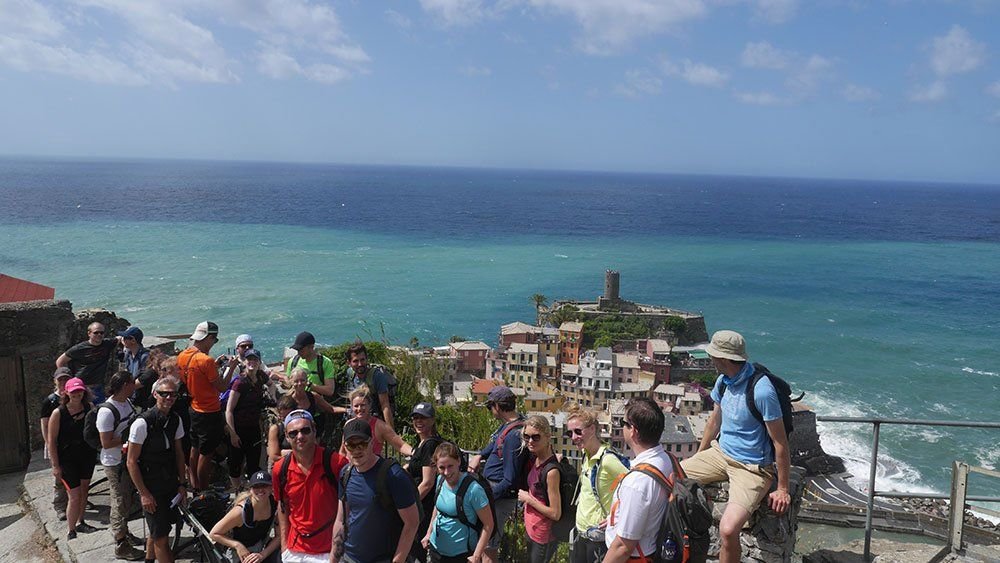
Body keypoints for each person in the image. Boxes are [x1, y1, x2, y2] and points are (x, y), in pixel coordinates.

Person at [680, 330, 791, 563]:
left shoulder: (761, 390)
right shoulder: (724, 382)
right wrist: (699, 458)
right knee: (672, 477)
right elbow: (714, 421)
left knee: (728, 529)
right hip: (720, 453)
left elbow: (780, 442)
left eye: (713, 355)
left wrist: (782, 488)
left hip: (751, 467)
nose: (710, 359)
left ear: (723, 359)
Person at [331, 419, 419, 563]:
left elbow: (412, 522)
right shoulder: (345, 474)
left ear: (372, 443)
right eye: (351, 445)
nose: (357, 450)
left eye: (362, 444)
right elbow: (341, 520)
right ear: (345, 447)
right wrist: (333, 560)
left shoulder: (394, 476)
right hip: (349, 557)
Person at [272, 410, 348, 563]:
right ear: (287, 437)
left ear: (314, 430)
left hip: (330, 551)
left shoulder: (336, 463)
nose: (300, 436)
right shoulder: (280, 469)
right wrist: (284, 547)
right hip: (295, 551)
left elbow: (349, 507)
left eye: (305, 430)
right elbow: (283, 507)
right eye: (293, 433)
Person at [603, 397, 673, 563]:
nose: (622, 426)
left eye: (623, 422)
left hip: (635, 558)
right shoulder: (667, 459)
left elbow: (623, 547)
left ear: (633, 431)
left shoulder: (637, 483)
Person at [127, 376, 188, 563]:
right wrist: (144, 494)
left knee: (161, 528)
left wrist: (182, 484)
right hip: (151, 484)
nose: (169, 398)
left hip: (169, 481)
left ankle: (149, 560)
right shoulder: (142, 424)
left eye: (173, 394)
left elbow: (179, 453)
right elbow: (131, 461)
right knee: (161, 537)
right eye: (164, 394)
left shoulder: (175, 419)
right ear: (155, 395)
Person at [467, 386, 528, 563]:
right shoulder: (511, 426)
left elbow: (510, 479)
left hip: (498, 497)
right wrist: (480, 455)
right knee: (485, 542)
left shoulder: (513, 436)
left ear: (497, 407)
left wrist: (486, 498)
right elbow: (495, 444)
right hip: (494, 493)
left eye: (489, 407)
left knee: (488, 546)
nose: (490, 411)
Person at [566, 407, 628, 563]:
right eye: (570, 433)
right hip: (582, 533)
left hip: (598, 539)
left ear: (592, 429)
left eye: (578, 432)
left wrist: (617, 517)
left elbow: (635, 486)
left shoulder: (607, 460)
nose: (573, 437)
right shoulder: (587, 454)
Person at [178, 320, 233, 491]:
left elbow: (197, 375)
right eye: (214, 340)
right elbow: (222, 386)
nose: (213, 344)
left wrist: (215, 365)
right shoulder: (206, 360)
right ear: (209, 337)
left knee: (195, 447)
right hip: (209, 410)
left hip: (193, 408)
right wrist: (231, 367)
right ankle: (203, 490)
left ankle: (193, 483)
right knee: (207, 453)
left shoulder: (183, 356)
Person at [97, 370, 144, 560]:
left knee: (126, 499)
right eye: (133, 382)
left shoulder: (127, 402)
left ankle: (124, 532)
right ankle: (120, 543)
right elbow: (106, 442)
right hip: (114, 462)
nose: (135, 385)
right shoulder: (107, 411)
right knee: (119, 501)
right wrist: (130, 439)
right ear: (125, 385)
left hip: (126, 460)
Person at [421, 442, 494, 563]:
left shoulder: (473, 490)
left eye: (450, 466)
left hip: (460, 555)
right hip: (436, 550)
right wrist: (429, 533)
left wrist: (476, 556)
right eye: (441, 468)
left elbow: (488, 524)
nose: (446, 472)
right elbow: (438, 508)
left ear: (458, 462)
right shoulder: (440, 480)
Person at [48, 377, 100, 540]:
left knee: (84, 491)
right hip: (67, 459)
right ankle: (71, 530)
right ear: (66, 393)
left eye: (79, 391)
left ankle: (81, 521)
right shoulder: (58, 413)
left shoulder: (89, 407)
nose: (77, 394)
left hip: (86, 455)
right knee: (74, 495)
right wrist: (55, 466)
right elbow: (51, 441)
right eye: (73, 391)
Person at [210, 470, 281, 563]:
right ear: (251, 489)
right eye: (256, 486)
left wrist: (262, 555)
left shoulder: (275, 505)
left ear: (271, 487)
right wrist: (237, 545)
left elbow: (279, 536)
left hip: (262, 549)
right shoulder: (240, 512)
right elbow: (214, 534)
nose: (260, 490)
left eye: (264, 486)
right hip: (239, 554)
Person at [517, 415, 562, 563]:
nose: (530, 441)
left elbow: (555, 513)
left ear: (548, 437)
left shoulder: (551, 472)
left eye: (536, 437)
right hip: (532, 529)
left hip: (543, 537)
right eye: (526, 436)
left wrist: (528, 499)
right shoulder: (536, 459)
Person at [407, 402, 447, 563]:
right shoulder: (423, 443)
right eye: (415, 418)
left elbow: (427, 483)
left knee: (416, 551)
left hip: (423, 507)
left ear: (432, 420)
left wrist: (408, 504)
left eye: (423, 418)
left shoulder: (430, 445)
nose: (419, 421)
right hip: (421, 505)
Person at [226, 348, 269, 491]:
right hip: (238, 429)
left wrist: (273, 395)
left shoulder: (261, 377)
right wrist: (233, 434)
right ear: (244, 362)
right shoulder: (240, 383)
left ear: (259, 362)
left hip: (254, 428)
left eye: (255, 359)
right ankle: (238, 490)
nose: (252, 362)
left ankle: (252, 491)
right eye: (249, 359)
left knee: (253, 463)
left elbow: (271, 384)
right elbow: (229, 410)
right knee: (235, 464)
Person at [339, 386, 413, 459]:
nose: (359, 409)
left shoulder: (379, 426)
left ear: (370, 405)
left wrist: (416, 453)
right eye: (356, 406)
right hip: (352, 468)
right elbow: (342, 451)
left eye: (363, 405)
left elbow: (400, 445)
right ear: (351, 407)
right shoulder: (349, 424)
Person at [56, 321, 121, 403]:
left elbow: (120, 339)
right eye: (96, 333)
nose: (99, 335)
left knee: (97, 412)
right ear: (89, 333)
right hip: (81, 387)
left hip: (98, 387)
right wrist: (67, 381)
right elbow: (60, 361)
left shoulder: (107, 344)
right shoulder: (79, 348)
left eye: (101, 333)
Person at [41, 367, 72, 521]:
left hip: (71, 443)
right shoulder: (50, 401)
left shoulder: (75, 396)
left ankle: (75, 501)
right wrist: (49, 444)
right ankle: (60, 505)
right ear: (55, 381)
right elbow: (45, 425)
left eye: (66, 378)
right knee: (59, 475)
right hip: (57, 444)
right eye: (60, 379)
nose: (63, 382)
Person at [285, 367, 347, 442]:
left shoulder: (313, 396)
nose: (300, 383)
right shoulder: (287, 400)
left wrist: (347, 410)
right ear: (291, 382)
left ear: (307, 381)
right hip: (294, 439)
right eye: (296, 381)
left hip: (310, 437)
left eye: (302, 380)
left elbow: (331, 409)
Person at [345, 342, 393, 428]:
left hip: (374, 421)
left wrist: (391, 433)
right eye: (355, 361)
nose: (360, 364)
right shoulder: (350, 373)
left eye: (362, 360)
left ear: (367, 359)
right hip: (357, 420)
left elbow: (385, 405)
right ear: (349, 363)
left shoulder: (377, 376)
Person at [267, 395, 298, 468]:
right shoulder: (275, 429)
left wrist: (285, 452)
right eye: (282, 417)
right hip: (281, 467)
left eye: (288, 416)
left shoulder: (301, 427)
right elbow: (274, 456)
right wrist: (294, 454)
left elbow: (309, 450)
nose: (286, 421)